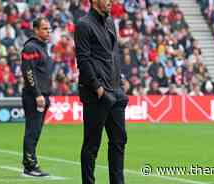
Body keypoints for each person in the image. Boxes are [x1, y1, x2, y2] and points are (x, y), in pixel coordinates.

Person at [74, 0, 129, 183]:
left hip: (116, 91)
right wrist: (98, 88)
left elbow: (113, 55)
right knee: (91, 146)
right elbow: (83, 60)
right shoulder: (83, 25)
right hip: (97, 95)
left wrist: (120, 81)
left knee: (119, 142)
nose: (110, 2)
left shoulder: (110, 22)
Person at [20, 17, 52, 177]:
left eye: (49, 29)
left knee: (36, 130)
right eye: (45, 29)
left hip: (42, 95)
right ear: (36, 30)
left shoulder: (41, 47)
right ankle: (30, 166)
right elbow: (28, 72)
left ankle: (29, 163)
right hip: (34, 96)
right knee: (33, 131)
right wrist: (38, 94)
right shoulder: (31, 47)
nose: (48, 31)